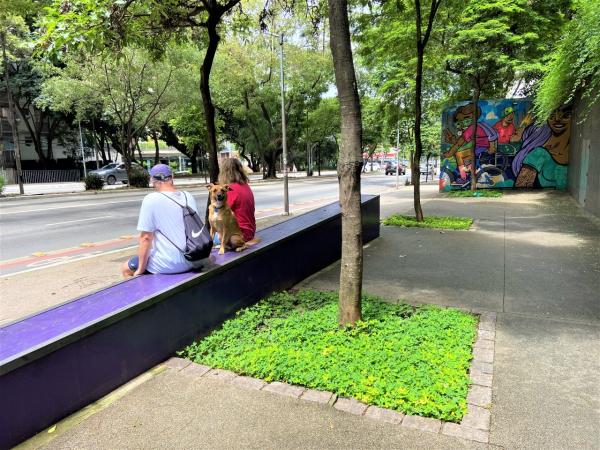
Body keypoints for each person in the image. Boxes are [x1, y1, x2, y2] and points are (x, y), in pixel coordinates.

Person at [121, 164, 204, 279]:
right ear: (172, 177)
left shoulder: (150, 200)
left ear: (152, 181)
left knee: (126, 268)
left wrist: (140, 269)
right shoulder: (188, 196)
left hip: (172, 263)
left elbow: (146, 238)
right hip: (198, 258)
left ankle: (144, 295)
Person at [216, 158, 256, 242]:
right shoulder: (245, 186)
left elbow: (221, 215)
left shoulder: (230, 190)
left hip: (237, 236)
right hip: (249, 232)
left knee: (210, 238)